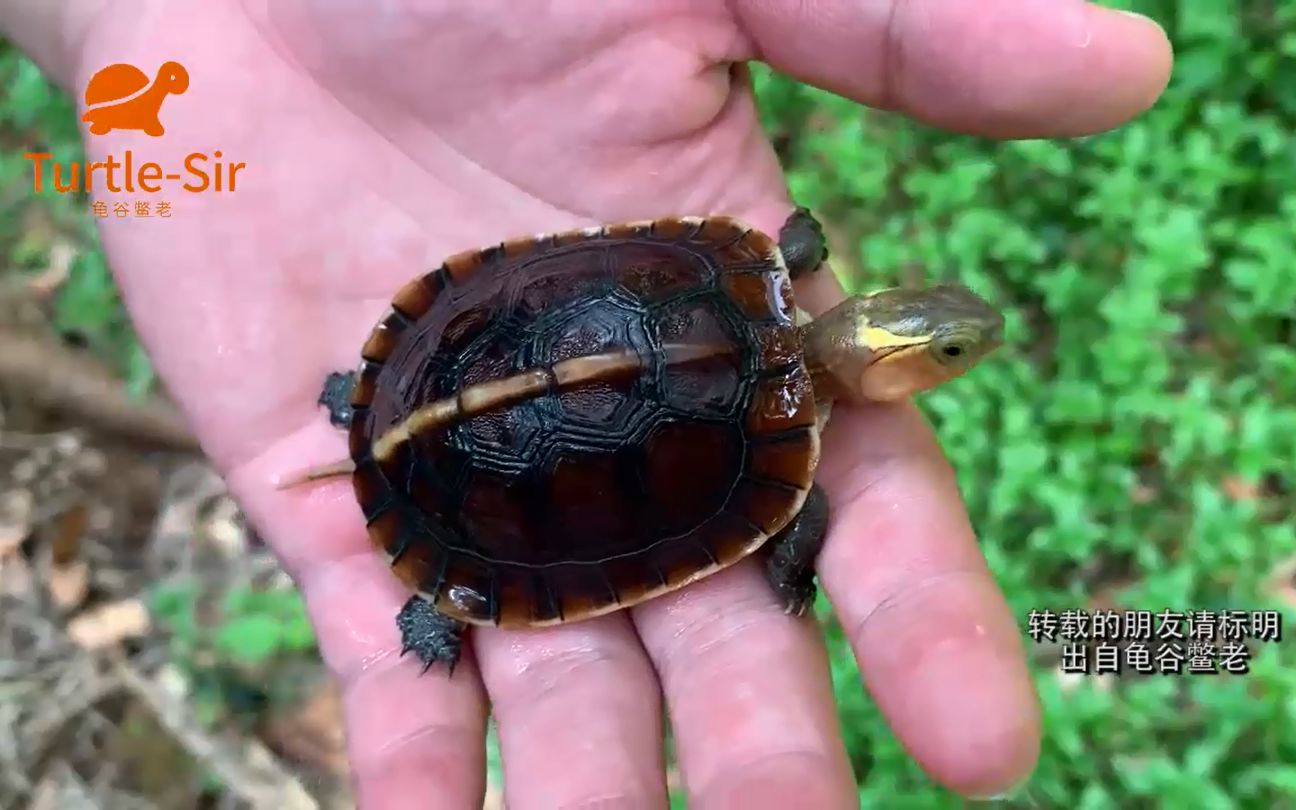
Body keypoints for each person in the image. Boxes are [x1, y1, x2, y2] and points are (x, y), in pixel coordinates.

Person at [3, 2, 1172, 807]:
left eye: (945, 345)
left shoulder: (753, 260)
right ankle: (444, 592)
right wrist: (793, 565)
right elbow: (785, 526)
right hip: (441, 442)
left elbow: (772, 254)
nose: (951, 348)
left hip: (420, 370)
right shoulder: (784, 449)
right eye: (945, 346)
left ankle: (368, 409)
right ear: (885, 362)